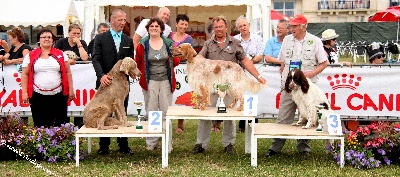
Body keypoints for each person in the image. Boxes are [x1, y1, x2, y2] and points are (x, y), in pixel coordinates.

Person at [192, 15, 266, 154]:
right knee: (205, 114)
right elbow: (200, 58)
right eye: (216, 27)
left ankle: (229, 144)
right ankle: (200, 143)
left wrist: (258, 76)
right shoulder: (208, 43)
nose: (218, 29)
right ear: (213, 29)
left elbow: (245, 61)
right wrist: (192, 60)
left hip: (228, 85)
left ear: (226, 27)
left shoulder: (235, 42)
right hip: (211, 85)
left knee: (230, 116)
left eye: (221, 27)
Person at [265, 14, 329, 157]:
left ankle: (304, 149)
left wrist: (312, 73)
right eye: (291, 26)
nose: (291, 28)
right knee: (283, 116)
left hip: (307, 87)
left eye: (294, 26)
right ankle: (275, 147)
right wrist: (285, 79)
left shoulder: (315, 41)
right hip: (290, 85)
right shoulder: (287, 40)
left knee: (306, 114)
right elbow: (282, 61)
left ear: (303, 26)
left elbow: (324, 62)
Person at [92, 8, 134, 155]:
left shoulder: (128, 40)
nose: (123, 22)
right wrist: (101, 76)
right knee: (106, 112)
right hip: (105, 84)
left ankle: (123, 145)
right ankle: (104, 146)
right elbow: (95, 58)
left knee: (122, 111)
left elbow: (130, 61)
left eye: (124, 20)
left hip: (122, 85)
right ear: (112, 20)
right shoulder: (100, 38)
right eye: (120, 20)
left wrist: (133, 73)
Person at [135, 17, 179, 151]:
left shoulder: (169, 43)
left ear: (161, 29)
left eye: (157, 26)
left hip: (166, 81)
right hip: (150, 82)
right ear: (148, 29)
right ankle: (151, 142)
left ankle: (167, 142)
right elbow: (138, 62)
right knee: (152, 111)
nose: (154, 28)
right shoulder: (142, 44)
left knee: (166, 112)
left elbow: (176, 61)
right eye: (151, 26)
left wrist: (172, 58)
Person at [20, 29, 75, 128]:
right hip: (38, 96)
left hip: (58, 96)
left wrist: (71, 90)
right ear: (39, 40)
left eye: (49, 37)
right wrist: (24, 93)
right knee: (40, 125)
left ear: (53, 40)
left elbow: (68, 72)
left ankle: (59, 143)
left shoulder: (61, 54)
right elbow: (25, 74)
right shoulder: (30, 55)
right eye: (44, 37)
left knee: (59, 125)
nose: (47, 39)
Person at [234, 16, 264, 132]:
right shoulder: (235, 40)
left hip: (254, 71)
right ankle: (242, 124)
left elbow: (260, 55)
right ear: (238, 28)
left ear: (249, 25)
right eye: (240, 26)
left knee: (253, 95)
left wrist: (249, 63)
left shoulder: (258, 39)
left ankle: (253, 122)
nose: (243, 28)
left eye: (244, 25)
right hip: (240, 71)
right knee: (242, 95)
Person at [1, 27, 32, 124]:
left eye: (10, 37)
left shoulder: (25, 48)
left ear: (15, 38)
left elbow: (26, 59)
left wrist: (11, 62)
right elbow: (6, 57)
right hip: (11, 85)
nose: (9, 39)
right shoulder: (13, 49)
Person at [169, 14, 194, 133]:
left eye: (186, 24)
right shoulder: (169, 36)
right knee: (170, 95)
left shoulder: (189, 40)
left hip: (183, 70)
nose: (183, 26)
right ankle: (167, 121)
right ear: (176, 24)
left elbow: (190, 55)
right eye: (181, 24)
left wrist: (178, 57)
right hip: (170, 68)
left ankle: (180, 124)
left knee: (181, 95)